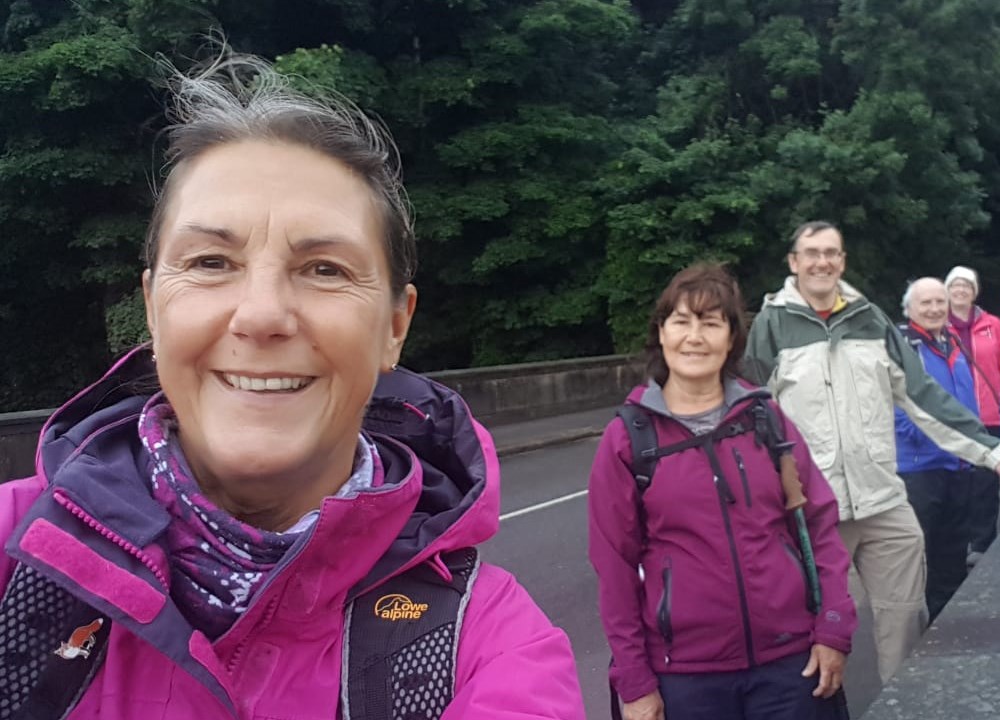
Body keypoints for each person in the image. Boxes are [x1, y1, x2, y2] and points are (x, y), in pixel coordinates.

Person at [0, 55, 583, 719]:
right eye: (211, 262)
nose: (262, 315)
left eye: (325, 269)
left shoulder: (494, 649)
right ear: (154, 307)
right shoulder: (12, 559)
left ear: (395, 327)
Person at [743, 221, 1000, 683]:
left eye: (832, 252)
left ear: (842, 261)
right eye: (812, 253)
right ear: (794, 262)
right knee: (821, 633)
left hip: (884, 500)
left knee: (907, 623)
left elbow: (922, 395)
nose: (822, 262)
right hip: (816, 511)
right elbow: (751, 417)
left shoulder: (869, 319)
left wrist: (994, 450)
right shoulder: (772, 326)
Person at [589, 264, 857, 720]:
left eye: (711, 323)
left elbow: (818, 528)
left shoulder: (766, 420)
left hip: (791, 667)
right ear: (662, 332)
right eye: (682, 321)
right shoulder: (628, 439)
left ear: (732, 337)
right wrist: (633, 681)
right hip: (685, 678)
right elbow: (614, 568)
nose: (695, 336)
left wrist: (833, 628)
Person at [894, 278, 980, 620]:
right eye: (925, 303)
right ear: (909, 309)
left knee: (953, 549)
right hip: (920, 466)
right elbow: (892, 401)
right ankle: (919, 632)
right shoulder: (902, 345)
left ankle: (950, 625)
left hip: (958, 463)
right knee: (922, 554)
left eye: (939, 302)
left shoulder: (952, 341)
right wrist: (929, 435)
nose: (933, 309)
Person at [944, 266, 1000, 568]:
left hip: (989, 414)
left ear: (975, 291)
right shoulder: (936, 324)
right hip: (951, 416)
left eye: (966, 286)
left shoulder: (992, 324)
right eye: (955, 285)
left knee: (986, 481)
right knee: (958, 480)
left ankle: (983, 542)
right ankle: (958, 540)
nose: (960, 290)